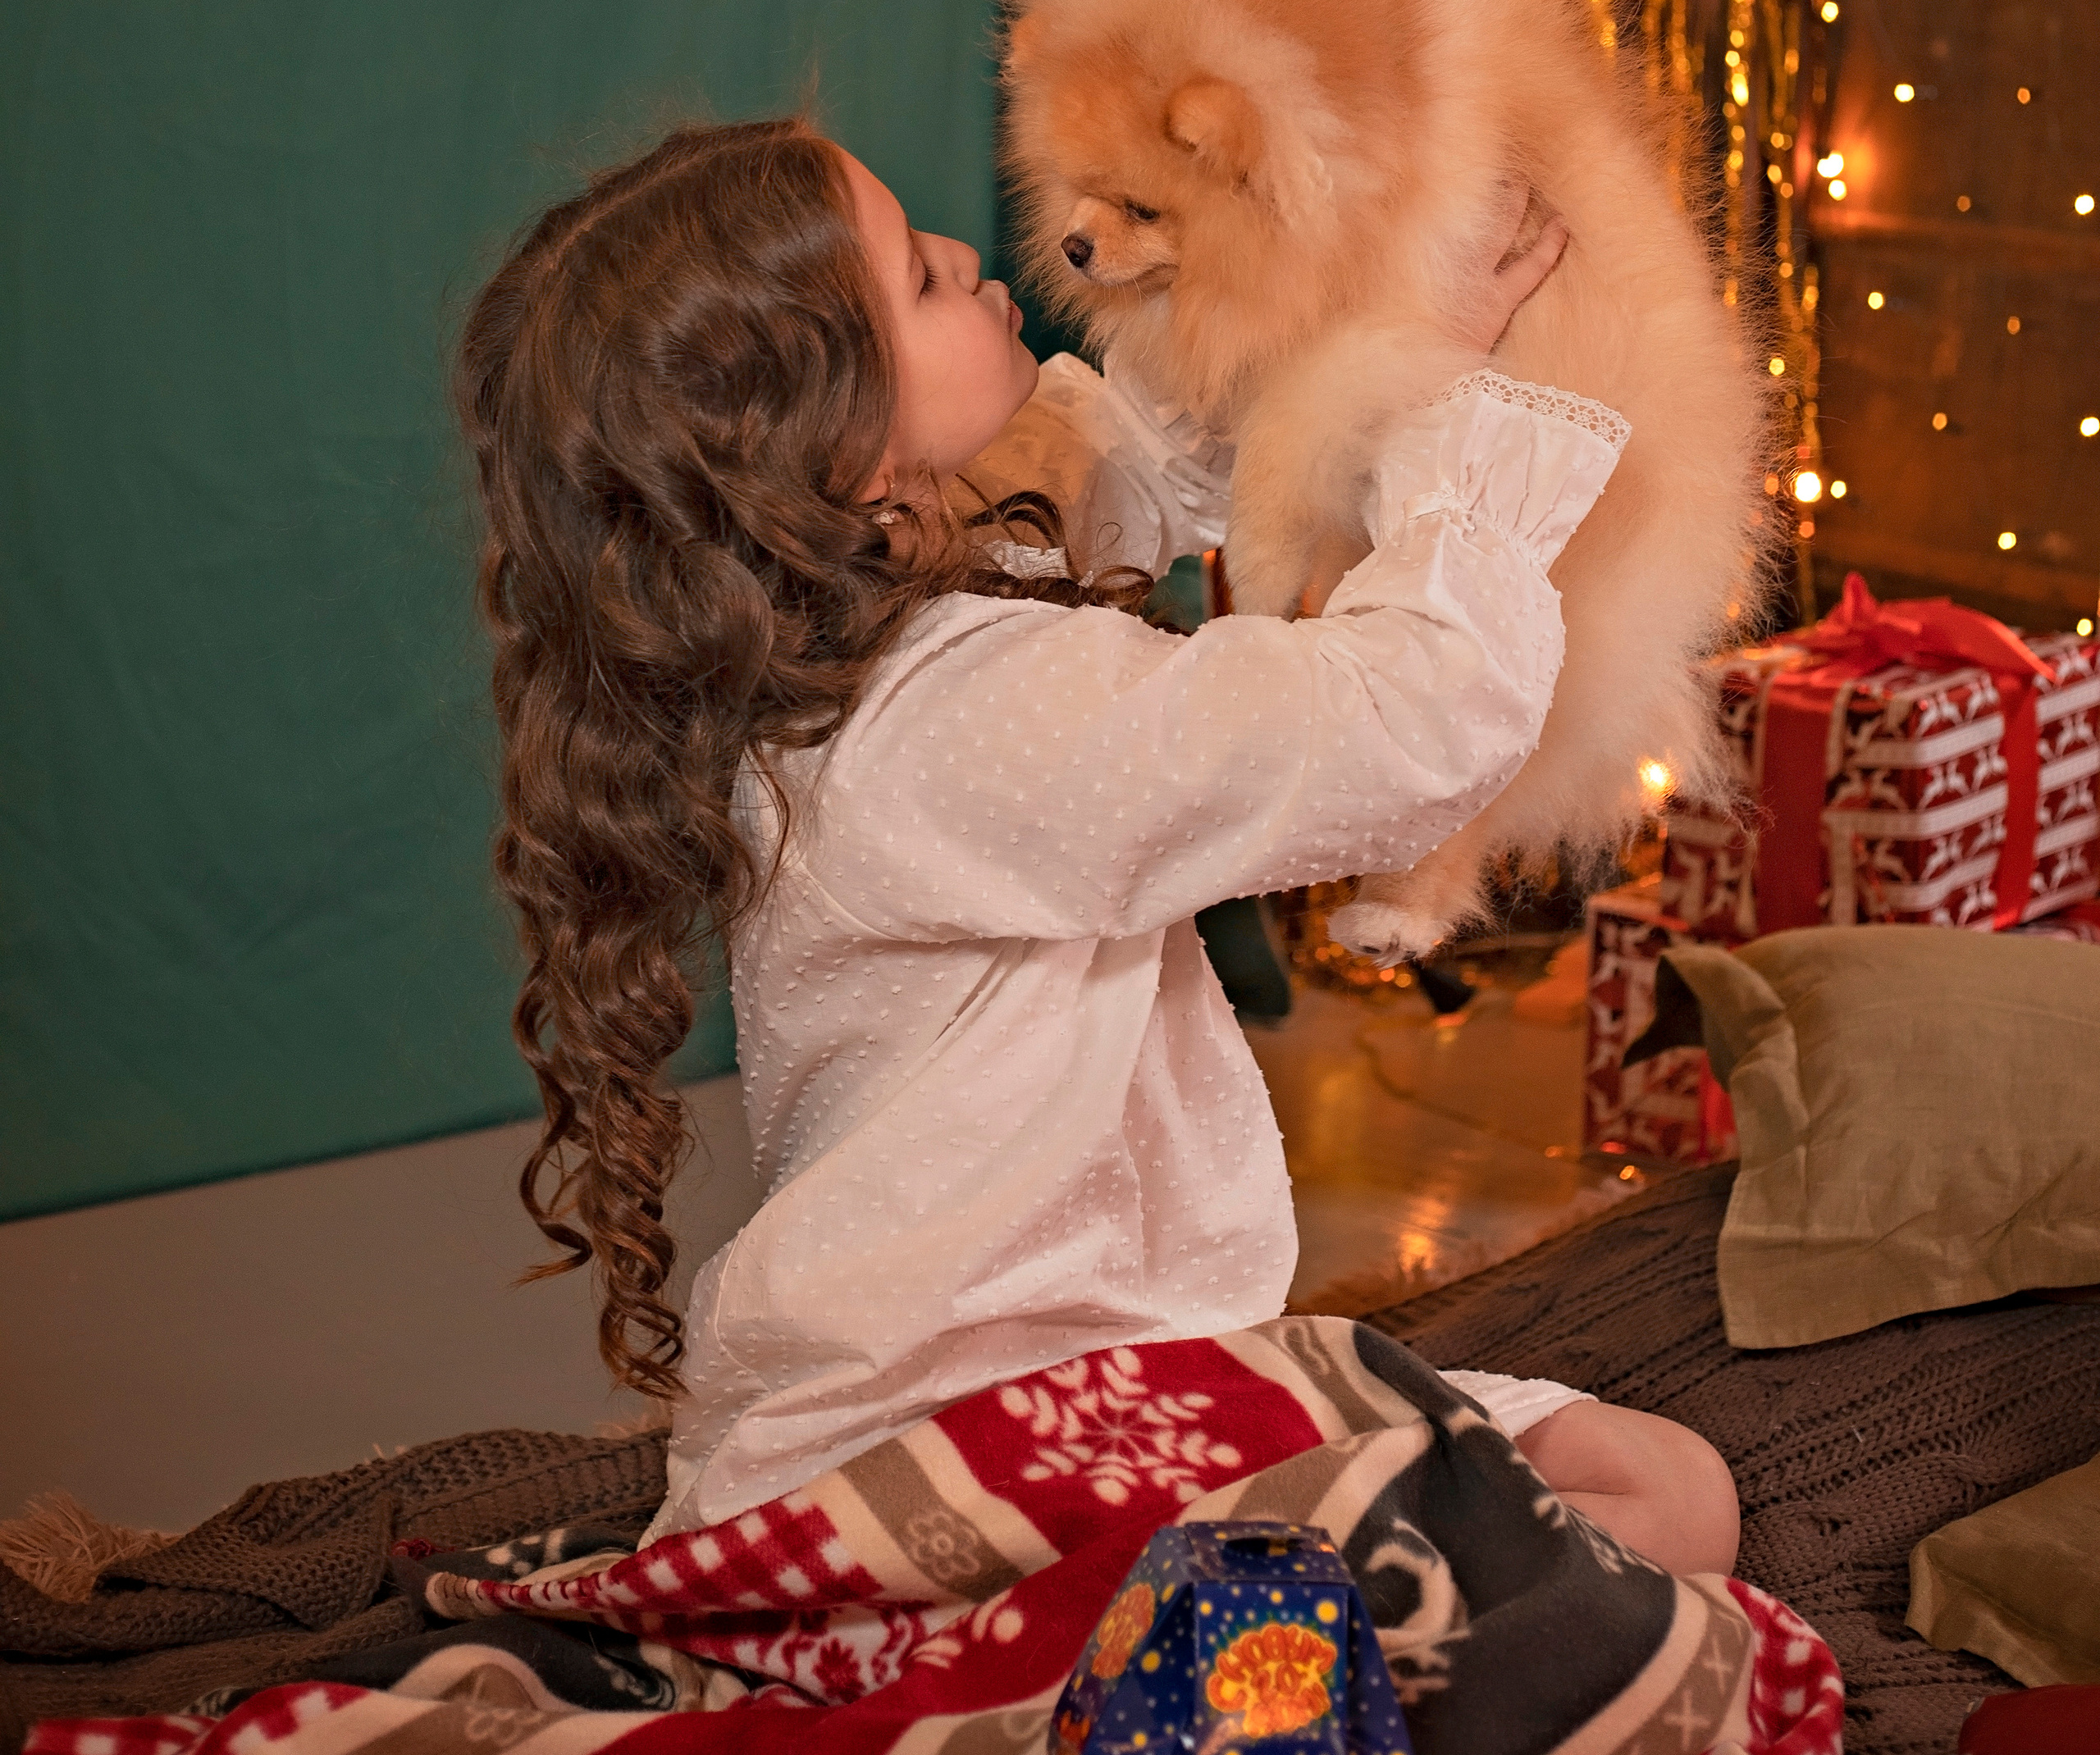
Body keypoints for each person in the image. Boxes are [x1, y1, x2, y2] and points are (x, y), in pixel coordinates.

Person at [457, 116, 1739, 1582]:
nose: (965, 256)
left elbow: (1127, 467)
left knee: (1637, 1484)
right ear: (845, 450)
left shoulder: (863, 645)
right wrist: (1461, 437)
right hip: (983, 1413)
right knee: (1656, 1518)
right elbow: (1406, 724)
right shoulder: (951, 725)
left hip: (1087, 1368)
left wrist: (1393, 324)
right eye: (922, 282)